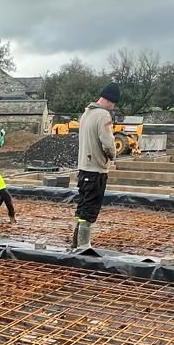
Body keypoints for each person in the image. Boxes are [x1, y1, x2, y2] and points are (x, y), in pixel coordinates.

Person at [73, 82, 121, 253]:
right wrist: (113, 156)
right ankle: (84, 247)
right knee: (90, 208)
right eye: (114, 104)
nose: (113, 107)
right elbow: (108, 143)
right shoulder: (103, 116)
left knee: (83, 206)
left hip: (84, 169)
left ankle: (76, 243)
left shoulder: (86, 114)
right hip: (96, 170)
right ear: (110, 100)